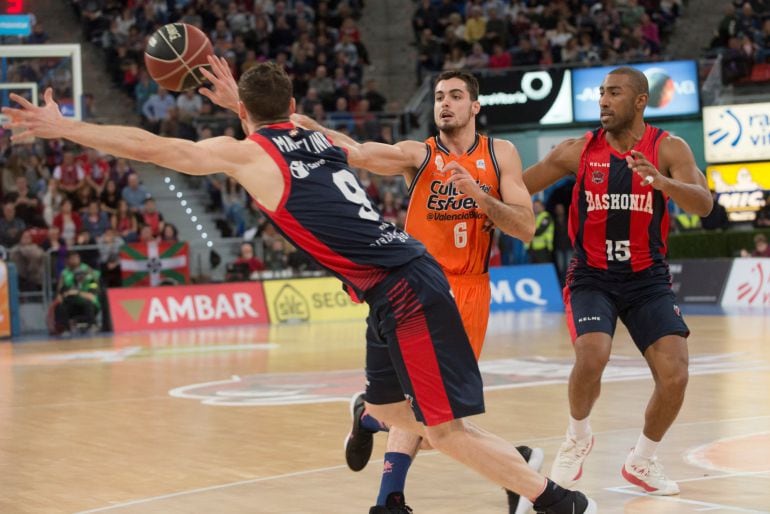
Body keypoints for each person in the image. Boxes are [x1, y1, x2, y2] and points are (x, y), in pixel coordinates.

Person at [3, 60, 596, 514]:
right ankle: (381, 427)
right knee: (390, 411)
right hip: (392, 283)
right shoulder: (319, 140)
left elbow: (153, 146)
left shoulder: (250, 156)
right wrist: (242, 96)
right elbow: (281, 119)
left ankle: (556, 499)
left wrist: (64, 127)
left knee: (442, 430)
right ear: (290, 105)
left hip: (406, 286)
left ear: (247, 118)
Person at [293, 69, 541, 514]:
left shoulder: (500, 154)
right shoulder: (418, 155)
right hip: (417, 285)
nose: (445, 103)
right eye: (439, 97)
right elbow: (358, 152)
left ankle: (372, 417)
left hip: (469, 292)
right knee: (430, 412)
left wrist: (480, 197)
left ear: (475, 106)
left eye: (456, 96)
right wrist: (304, 127)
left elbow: (524, 226)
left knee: (436, 420)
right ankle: (397, 495)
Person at [522, 66, 713, 496]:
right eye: (602, 94)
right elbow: (518, 185)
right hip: (592, 275)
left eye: (615, 93)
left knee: (676, 375)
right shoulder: (578, 151)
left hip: (648, 278)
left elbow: (703, 204)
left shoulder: (669, 148)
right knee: (593, 355)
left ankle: (642, 461)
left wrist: (662, 182)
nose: (604, 101)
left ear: (640, 101)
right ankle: (577, 437)